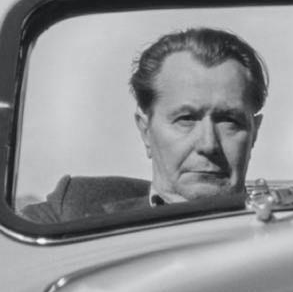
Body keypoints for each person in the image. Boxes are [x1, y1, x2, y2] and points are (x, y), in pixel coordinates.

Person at [26, 25, 269, 220]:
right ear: (145, 131)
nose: (208, 144)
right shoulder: (74, 208)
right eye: (186, 119)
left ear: (254, 133)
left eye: (228, 120)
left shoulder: (288, 237)